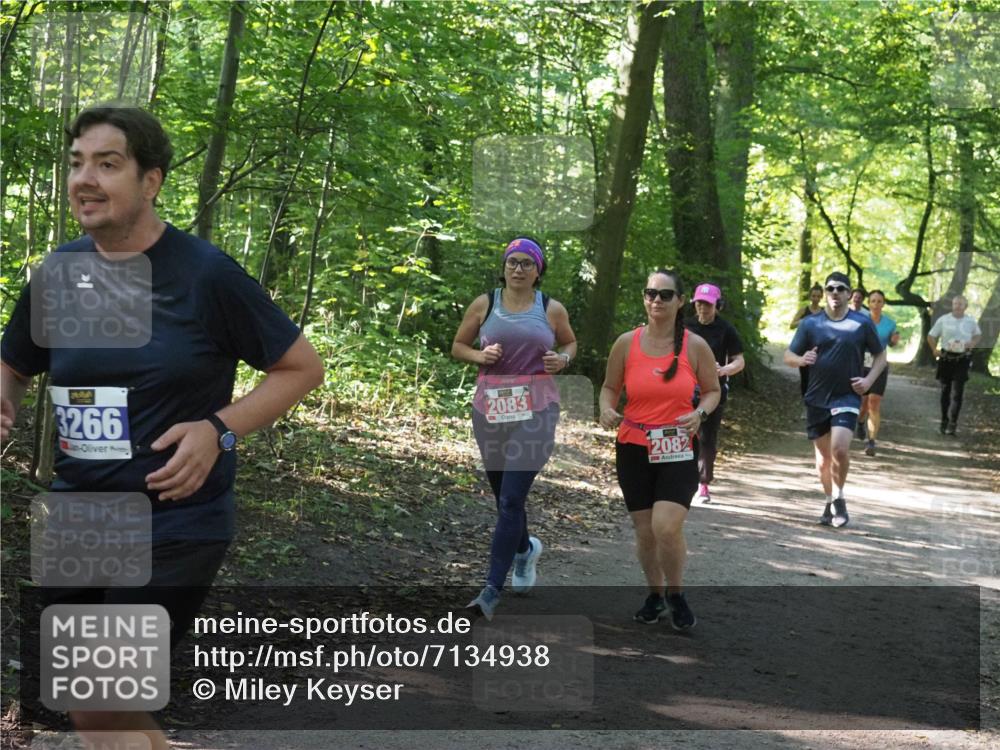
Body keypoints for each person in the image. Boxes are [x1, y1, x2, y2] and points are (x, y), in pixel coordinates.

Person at [0, 105, 324, 747]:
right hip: (79, 516)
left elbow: (300, 368)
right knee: (90, 703)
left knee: (100, 698)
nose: (84, 179)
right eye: (77, 163)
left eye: (107, 164)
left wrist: (218, 429)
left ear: (151, 181)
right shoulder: (59, 275)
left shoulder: (205, 275)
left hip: (174, 520)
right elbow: (13, 365)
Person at [451, 237, 576, 619]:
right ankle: (524, 549)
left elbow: (570, 343)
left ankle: (490, 590)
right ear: (504, 267)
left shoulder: (551, 308)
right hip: (490, 409)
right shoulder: (485, 304)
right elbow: (458, 345)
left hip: (537, 410)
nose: (518, 269)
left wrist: (563, 360)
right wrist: (479, 354)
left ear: (538, 271)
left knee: (509, 500)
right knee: (504, 498)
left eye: (526, 263)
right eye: (512, 262)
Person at [599, 269, 720, 629]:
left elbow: (712, 391)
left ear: (680, 301)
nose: (656, 300)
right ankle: (655, 595)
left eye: (665, 295)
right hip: (633, 447)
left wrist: (699, 414)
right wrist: (606, 408)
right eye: (651, 293)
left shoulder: (695, 346)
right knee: (645, 531)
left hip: (677, 446)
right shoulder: (626, 343)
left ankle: (676, 594)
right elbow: (609, 387)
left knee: (665, 526)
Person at [783, 272, 885, 529]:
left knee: (839, 448)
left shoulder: (861, 323)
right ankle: (829, 501)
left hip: (847, 396)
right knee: (823, 460)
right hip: (817, 397)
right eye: (830, 289)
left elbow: (881, 356)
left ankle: (840, 498)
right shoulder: (811, 323)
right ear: (825, 293)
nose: (835, 293)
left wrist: (868, 381)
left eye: (841, 289)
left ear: (849, 294)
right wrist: (801, 360)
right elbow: (788, 356)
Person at [683, 282, 745, 503]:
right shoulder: (684, 326)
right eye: (699, 303)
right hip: (684, 389)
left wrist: (724, 370)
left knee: (707, 438)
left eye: (708, 304)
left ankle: (703, 484)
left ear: (717, 305)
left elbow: (739, 361)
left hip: (713, 390)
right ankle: (681, 479)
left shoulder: (726, 329)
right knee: (683, 433)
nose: (702, 308)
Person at [927, 295, 981, 435]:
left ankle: (953, 423)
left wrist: (972, 344)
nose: (957, 306)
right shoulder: (944, 320)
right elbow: (931, 336)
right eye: (955, 303)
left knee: (958, 392)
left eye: (961, 304)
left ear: (965, 306)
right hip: (946, 357)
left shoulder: (970, 321)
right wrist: (934, 350)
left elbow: (978, 335)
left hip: (962, 359)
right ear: (952, 305)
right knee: (945, 391)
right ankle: (944, 420)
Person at [857, 290, 899, 456]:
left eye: (879, 301)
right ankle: (861, 421)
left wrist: (894, 341)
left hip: (879, 364)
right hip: (862, 364)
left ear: (883, 304)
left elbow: (893, 342)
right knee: (863, 403)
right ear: (868, 304)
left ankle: (871, 441)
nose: (876, 304)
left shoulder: (889, 323)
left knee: (874, 402)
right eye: (873, 301)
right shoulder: (861, 321)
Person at [790, 283, 824, 397]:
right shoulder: (804, 310)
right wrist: (804, 320)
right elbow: (792, 325)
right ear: (810, 296)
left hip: (820, 347)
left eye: (818, 296)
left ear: (821, 297)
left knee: (818, 374)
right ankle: (805, 399)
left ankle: (816, 398)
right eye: (813, 296)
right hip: (805, 347)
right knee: (805, 375)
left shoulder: (824, 312)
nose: (816, 299)